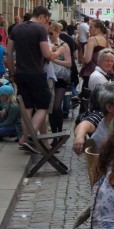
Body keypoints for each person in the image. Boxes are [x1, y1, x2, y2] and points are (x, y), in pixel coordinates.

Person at [7, 6, 64, 153]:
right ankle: (27, 138)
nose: (48, 22)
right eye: (47, 19)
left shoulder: (16, 29)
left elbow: (8, 53)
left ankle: (25, 139)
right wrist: (59, 51)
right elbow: (48, 55)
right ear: (43, 16)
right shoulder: (40, 30)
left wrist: (13, 73)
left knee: (27, 107)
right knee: (44, 105)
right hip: (35, 74)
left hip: (20, 73)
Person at [48, 21, 72, 144]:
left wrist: (54, 60)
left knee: (57, 106)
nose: (49, 35)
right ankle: (55, 136)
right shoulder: (46, 44)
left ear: (57, 32)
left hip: (61, 79)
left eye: (51, 33)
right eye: (48, 32)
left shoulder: (64, 45)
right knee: (51, 108)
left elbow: (69, 63)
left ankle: (59, 131)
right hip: (49, 78)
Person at [80, 19, 109, 100]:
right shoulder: (105, 40)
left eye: (91, 27)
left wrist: (84, 55)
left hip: (91, 71)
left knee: (86, 99)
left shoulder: (92, 39)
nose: (89, 29)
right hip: (101, 72)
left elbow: (87, 59)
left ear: (98, 29)